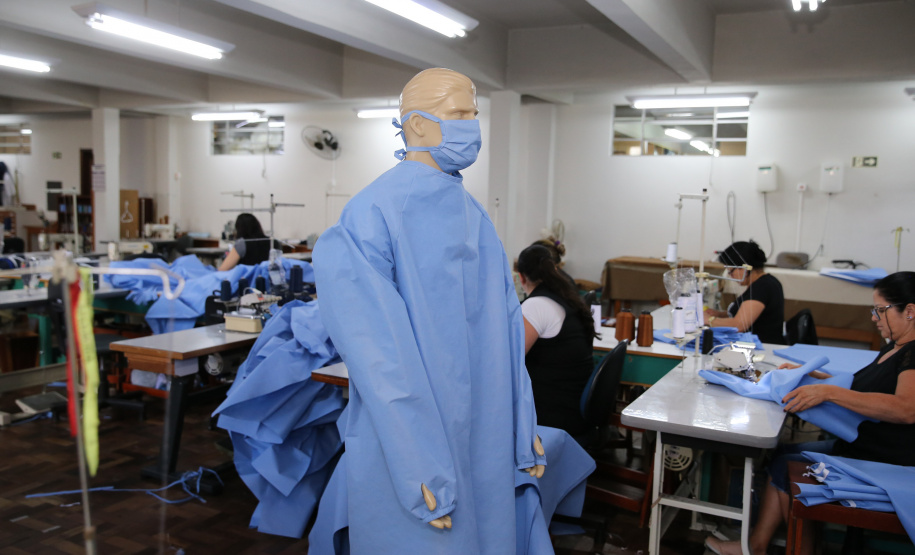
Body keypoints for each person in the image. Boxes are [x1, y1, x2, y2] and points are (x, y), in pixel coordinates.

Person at [311, 68, 546, 553]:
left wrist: (522, 431)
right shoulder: (371, 215)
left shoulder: (472, 214)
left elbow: (506, 338)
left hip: (485, 435)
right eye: (459, 114)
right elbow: (380, 360)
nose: (471, 125)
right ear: (416, 125)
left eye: (474, 115)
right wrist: (421, 468)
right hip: (413, 446)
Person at [706, 271, 915, 555]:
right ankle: (764, 545)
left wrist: (829, 392)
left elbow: (906, 409)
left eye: (880, 310)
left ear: (910, 311)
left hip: (884, 457)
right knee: (781, 456)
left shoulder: (912, 353)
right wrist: (812, 375)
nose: (874, 318)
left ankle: (768, 547)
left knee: (785, 464)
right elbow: (866, 386)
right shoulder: (895, 347)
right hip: (866, 445)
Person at [516, 244, 598, 437]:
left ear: (521, 277)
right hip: (573, 408)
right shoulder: (568, 298)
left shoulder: (535, 306)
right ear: (554, 270)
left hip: (554, 414)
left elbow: (509, 361)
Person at [704, 240, 785, 344]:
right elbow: (751, 314)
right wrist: (720, 314)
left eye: (731, 271)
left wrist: (708, 320)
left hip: (763, 347)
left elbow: (739, 325)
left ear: (745, 267)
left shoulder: (762, 287)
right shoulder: (765, 282)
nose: (730, 275)